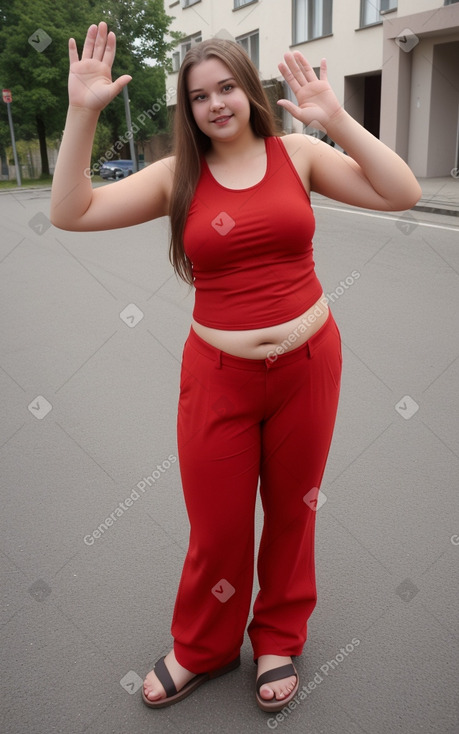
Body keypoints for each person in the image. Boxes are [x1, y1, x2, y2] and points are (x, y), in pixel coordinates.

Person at [50, 22, 421, 713]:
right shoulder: (177, 177)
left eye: (226, 87)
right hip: (217, 375)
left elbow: (399, 192)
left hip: (308, 365)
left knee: (292, 511)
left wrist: (336, 117)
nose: (215, 104)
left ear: (249, 92)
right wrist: (82, 112)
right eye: (198, 96)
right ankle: (202, 648)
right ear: (187, 110)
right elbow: (69, 212)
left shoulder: (299, 155)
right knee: (216, 525)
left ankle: (277, 636)